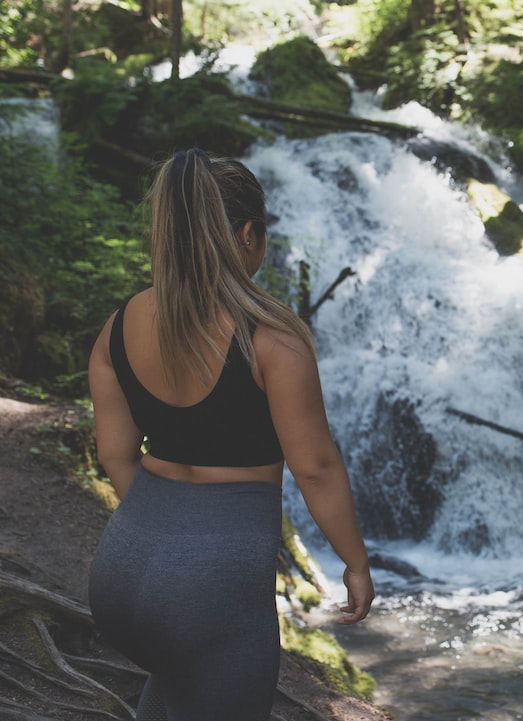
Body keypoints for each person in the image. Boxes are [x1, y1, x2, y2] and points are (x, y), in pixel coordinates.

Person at [87, 148, 375, 721]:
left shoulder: (118, 327)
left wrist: (162, 542)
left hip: (120, 574)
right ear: (247, 236)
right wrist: (355, 563)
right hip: (212, 586)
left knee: (176, 687)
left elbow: (115, 456)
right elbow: (315, 466)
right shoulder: (272, 339)